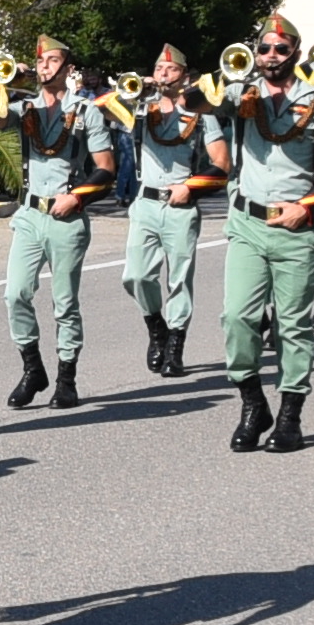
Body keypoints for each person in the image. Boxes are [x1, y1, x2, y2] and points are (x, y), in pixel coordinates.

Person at [209, 17, 314, 454]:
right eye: (265, 49)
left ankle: (290, 417)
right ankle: (253, 403)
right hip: (248, 224)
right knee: (237, 317)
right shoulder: (240, 94)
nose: (272, 56)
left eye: (281, 49)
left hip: (296, 226)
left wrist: (305, 208)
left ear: (296, 54)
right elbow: (195, 101)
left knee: (293, 326)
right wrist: (226, 73)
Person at [0, 36, 115, 410]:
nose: (45, 67)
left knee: (65, 302)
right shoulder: (23, 107)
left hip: (67, 215)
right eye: (40, 61)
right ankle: (32, 368)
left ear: (68, 68)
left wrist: (77, 196)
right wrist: (7, 80)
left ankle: (66, 379)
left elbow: (106, 169)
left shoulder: (86, 111)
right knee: (15, 293)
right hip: (30, 214)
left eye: (53, 60)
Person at [119, 44, 215, 378]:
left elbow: (221, 164)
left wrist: (191, 187)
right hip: (146, 202)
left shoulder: (201, 112)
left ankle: (175, 346)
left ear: (184, 76)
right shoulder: (141, 107)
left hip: (180, 204)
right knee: (135, 276)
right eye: (159, 68)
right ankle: (155, 325)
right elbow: (105, 108)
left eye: (171, 70)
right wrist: (137, 88)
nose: (163, 74)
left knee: (179, 279)